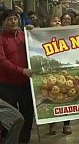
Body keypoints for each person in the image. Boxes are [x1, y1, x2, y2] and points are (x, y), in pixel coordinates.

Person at [0, 9, 34, 143]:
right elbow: (2, 61)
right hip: (7, 85)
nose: (13, 21)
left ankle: (24, 140)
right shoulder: (2, 38)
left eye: (15, 18)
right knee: (12, 117)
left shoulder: (23, 35)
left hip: (25, 83)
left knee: (28, 113)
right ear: (3, 22)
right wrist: (21, 70)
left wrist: (33, 32)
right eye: (9, 19)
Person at [45, 15, 72, 134]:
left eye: (58, 21)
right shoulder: (44, 35)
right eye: (54, 21)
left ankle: (66, 124)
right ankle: (52, 123)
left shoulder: (67, 35)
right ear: (48, 23)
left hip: (65, 69)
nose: (57, 23)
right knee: (52, 96)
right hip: (52, 70)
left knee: (66, 96)